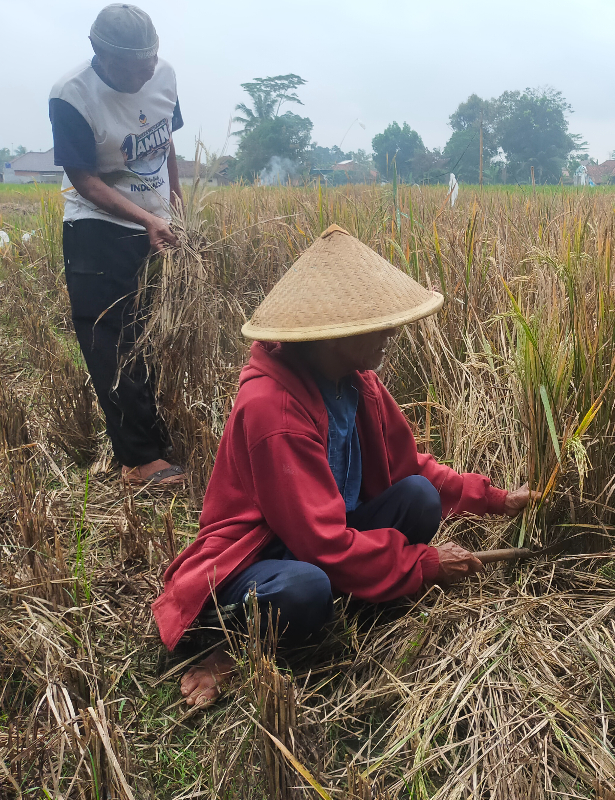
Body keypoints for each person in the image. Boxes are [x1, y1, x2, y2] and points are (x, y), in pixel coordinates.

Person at [152, 225, 538, 707]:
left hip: (323, 536)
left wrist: (497, 499)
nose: (393, 332)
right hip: (261, 559)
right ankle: (238, 649)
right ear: (335, 335)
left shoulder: (356, 384)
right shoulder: (275, 411)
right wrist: (424, 563)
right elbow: (322, 544)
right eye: (379, 323)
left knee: (419, 496)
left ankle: (362, 596)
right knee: (305, 589)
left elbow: (409, 467)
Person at [49, 3, 186, 486]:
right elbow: (84, 180)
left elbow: (166, 140)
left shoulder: (163, 74)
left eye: (149, 64)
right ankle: (138, 459)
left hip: (156, 228)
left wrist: (174, 207)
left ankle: (155, 438)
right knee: (111, 343)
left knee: (148, 336)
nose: (144, 76)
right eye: (132, 70)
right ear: (98, 54)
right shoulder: (71, 96)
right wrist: (145, 218)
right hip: (97, 231)